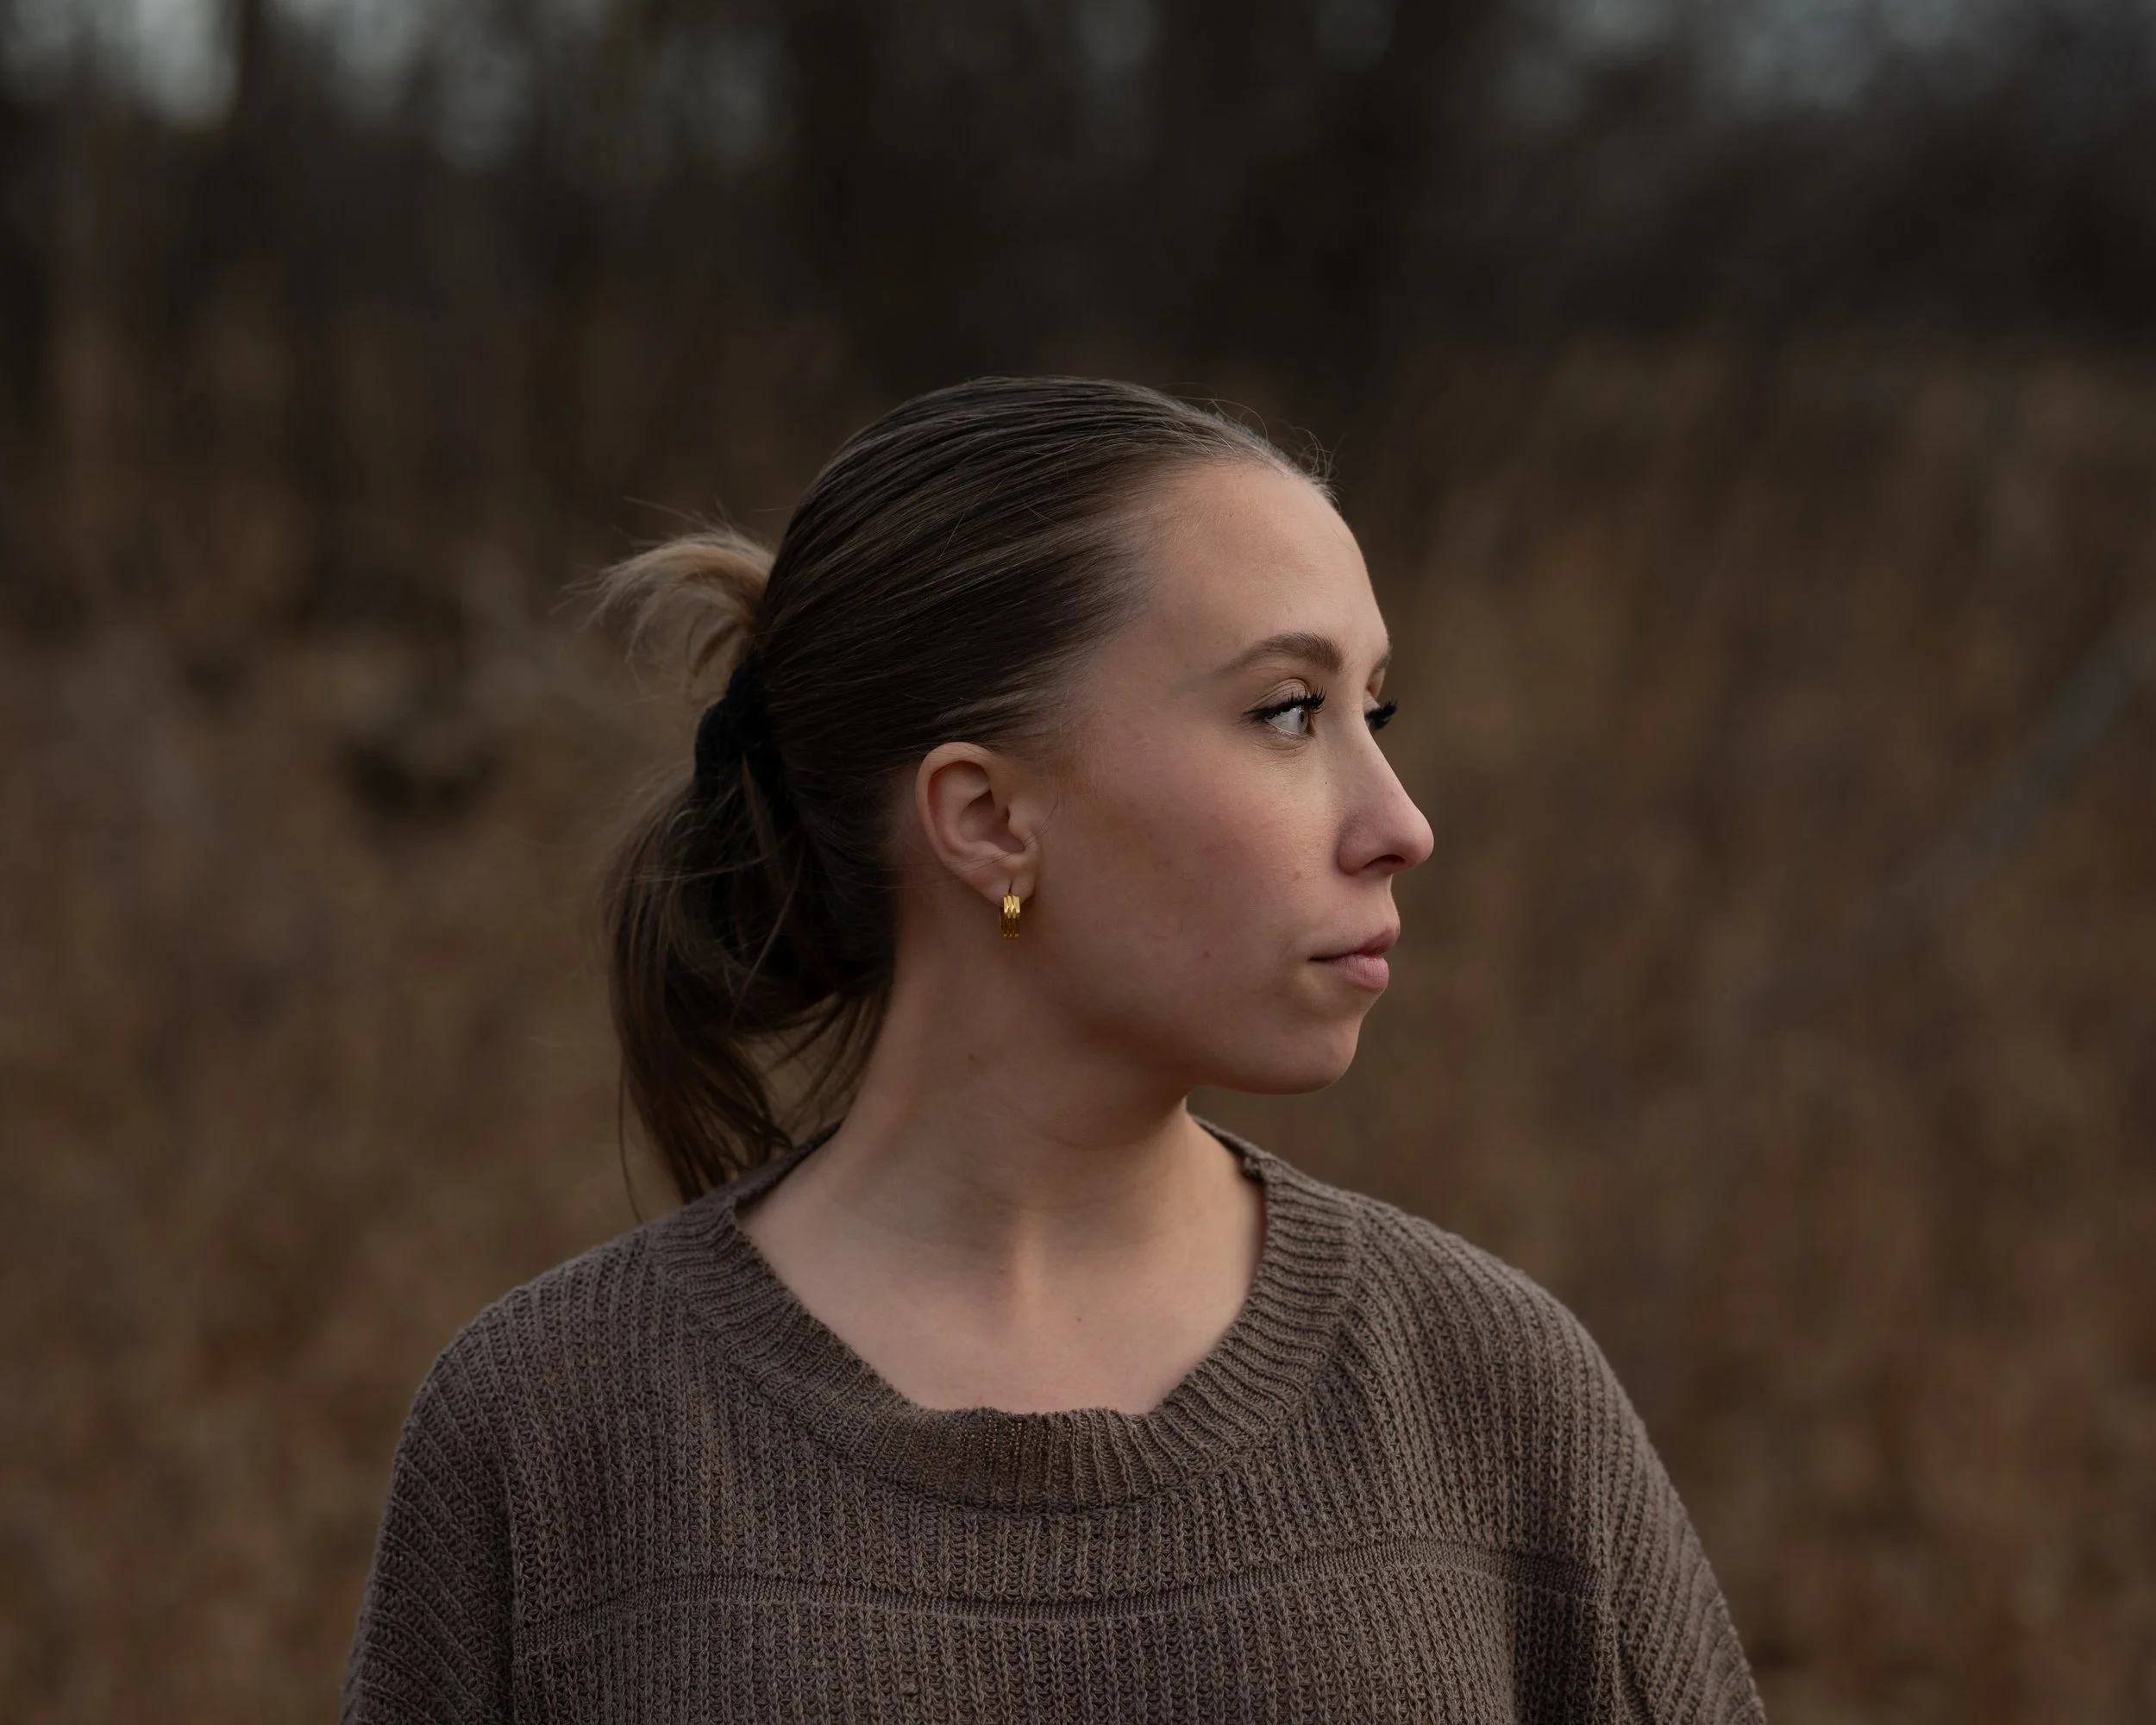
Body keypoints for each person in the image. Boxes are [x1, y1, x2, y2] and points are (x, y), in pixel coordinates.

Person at [342, 376, 1764, 1722]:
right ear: (986, 819)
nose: (1400, 822)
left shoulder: (1488, 1391)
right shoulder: (547, 1432)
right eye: (1289, 713)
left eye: (1373, 713)